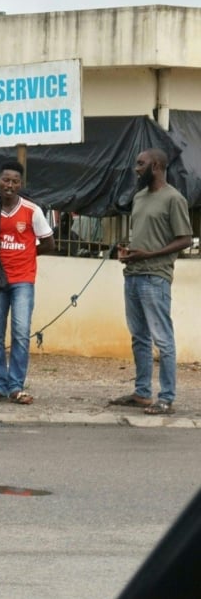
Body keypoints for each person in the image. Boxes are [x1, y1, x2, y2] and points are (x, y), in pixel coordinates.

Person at [108, 148, 194, 415]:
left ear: (156, 166)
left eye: (140, 164)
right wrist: (130, 252)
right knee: (139, 338)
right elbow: (146, 235)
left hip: (155, 277)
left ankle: (166, 396)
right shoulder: (140, 197)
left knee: (163, 340)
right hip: (133, 275)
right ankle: (142, 393)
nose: (136, 168)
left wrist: (150, 254)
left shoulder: (174, 198)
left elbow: (185, 239)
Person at [0, 161, 54, 405]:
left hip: (23, 280)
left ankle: (16, 387)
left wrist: (28, 253)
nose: (10, 185)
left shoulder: (31, 210)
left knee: (21, 333)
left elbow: (49, 243)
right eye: (6, 180)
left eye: (15, 181)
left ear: (21, 184)